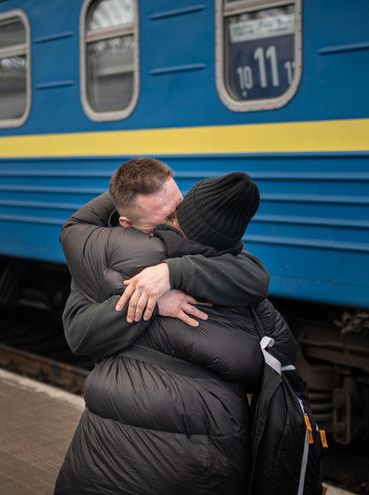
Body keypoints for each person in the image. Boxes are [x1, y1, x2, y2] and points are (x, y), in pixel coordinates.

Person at [56, 169, 295, 494]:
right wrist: (150, 302)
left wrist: (172, 273)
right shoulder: (232, 270)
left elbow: (75, 230)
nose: (177, 222)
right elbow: (272, 353)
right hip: (203, 462)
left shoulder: (96, 253)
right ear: (127, 223)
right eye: (166, 216)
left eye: (180, 206)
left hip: (101, 461)